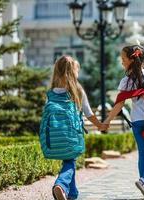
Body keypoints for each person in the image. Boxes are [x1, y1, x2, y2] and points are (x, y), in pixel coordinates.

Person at [102, 45, 144, 199]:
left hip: (137, 121)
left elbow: (119, 104)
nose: (122, 62)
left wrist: (107, 121)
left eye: (123, 59)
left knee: (143, 153)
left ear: (132, 59)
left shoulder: (126, 80)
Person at [49, 55, 108, 200]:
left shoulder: (51, 91)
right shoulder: (77, 90)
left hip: (55, 134)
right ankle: (61, 185)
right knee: (70, 161)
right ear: (74, 72)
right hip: (72, 134)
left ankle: (72, 194)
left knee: (69, 160)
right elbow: (88, 113)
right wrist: (100, 125)